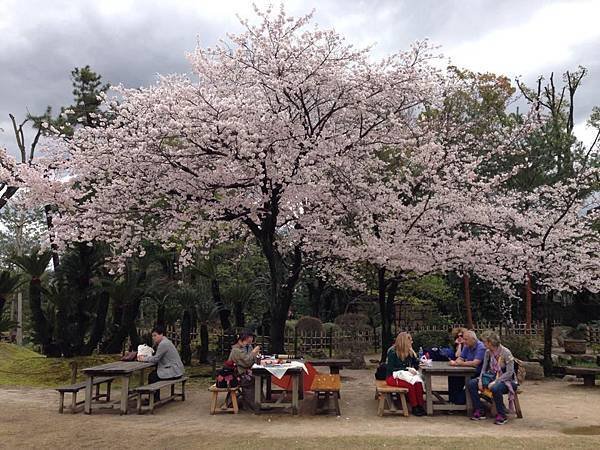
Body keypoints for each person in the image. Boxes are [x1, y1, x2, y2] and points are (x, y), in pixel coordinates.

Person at [468, 331, 518, 425]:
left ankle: (502, 415)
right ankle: (479, 409)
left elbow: (510, 372)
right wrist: (480, 379)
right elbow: (484, 367)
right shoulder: (488, 352)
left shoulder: (506, 352)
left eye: (484, 342)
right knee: (472, 383)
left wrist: (496, 381)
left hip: (507, 380)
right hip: (491, 377)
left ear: (490, 342)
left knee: (495, 388)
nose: (483, 344)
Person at [137, 325, 185, 400]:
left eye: (155, 335)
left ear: (161, 334)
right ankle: (154, 397)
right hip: (177, 369)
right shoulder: (166, 342)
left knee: (152, 376)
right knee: (153, 374)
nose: (153, 338)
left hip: (174, 371)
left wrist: (144, 358)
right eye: (152, 336)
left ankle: (154, 399)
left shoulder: (163, 344)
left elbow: (156, 359)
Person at [385, 332, 426, 416]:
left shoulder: (409, 351)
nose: (412, 342)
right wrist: (406, 369)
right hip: (392, 377)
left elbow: (415, 364)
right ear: (404, 341)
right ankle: (414, 406)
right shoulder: (392, 352)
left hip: (405, 375)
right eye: (410, 340)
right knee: (410, 385)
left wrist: (417, 359)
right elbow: (390, 369)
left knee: (417, 382)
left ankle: (420, 405)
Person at [447, 330, 486, 404]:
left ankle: (460, 401)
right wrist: (456, 362)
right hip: (466, 371)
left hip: (477, 374)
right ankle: (452, 401)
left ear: (473, 339)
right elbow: (460, 358)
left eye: (466, 339)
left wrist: (459, 364)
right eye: (464, 339)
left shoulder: (481, 347)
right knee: (452, 376)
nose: (464, 341)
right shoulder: (467, 345)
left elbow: (475, 363)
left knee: (460, 399)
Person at [228, 331, 261, 410]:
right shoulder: (236, 350)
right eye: (247, 341)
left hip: (242, 372)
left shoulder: (245, 347)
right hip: (236, 375)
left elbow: (251, 359)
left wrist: (255, 355)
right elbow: (247, 362)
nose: (248, 343)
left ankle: (257, 402)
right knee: (252, 379)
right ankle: (252, 404)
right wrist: (253, 352)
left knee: (258, 377)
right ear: (240, 341)